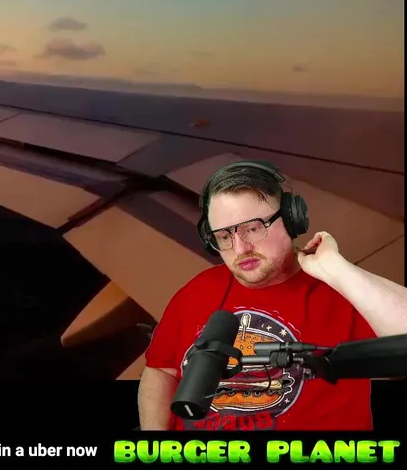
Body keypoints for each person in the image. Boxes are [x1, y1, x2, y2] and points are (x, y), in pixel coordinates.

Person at [139, 159, 407, 431]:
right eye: (224, 236)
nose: (240, 249)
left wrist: (339, 270)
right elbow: (160, 371)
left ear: (291, 219)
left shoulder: (339, 288)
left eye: (253, 228)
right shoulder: (196, 290)